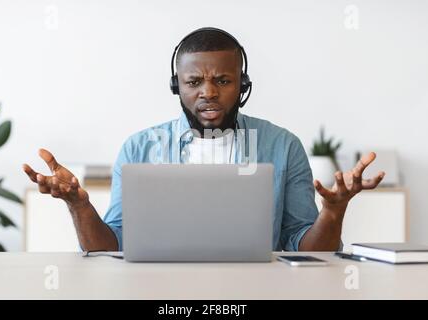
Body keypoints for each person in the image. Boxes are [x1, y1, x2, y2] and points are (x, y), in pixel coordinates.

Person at [22, 28, 385, 252]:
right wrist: (78, 205)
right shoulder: (139, 148)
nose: (208, 92)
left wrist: (334, 212)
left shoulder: (282, 145)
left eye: (224, 81)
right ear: (176, 86)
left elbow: (309, 251)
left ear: (242, 85)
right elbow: (111, 248)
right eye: (194, 82)